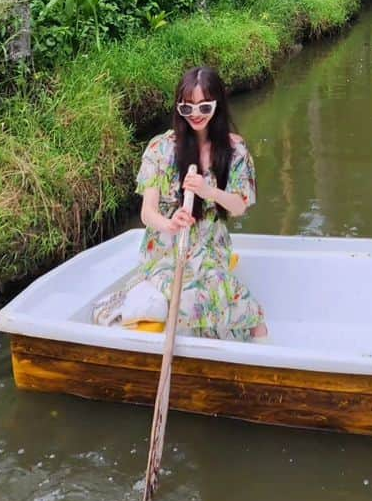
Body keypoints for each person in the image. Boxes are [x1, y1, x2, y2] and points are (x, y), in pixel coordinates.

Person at [93, 66, 268, 341]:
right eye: (187, 108)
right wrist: (170, 223)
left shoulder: (235, 150)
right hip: (166, 248)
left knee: (235, 302)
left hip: (210, 245)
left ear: (217, 105)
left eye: (203, 106)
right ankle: (123, 308)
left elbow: (239, 206)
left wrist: (208, 190)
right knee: (188, 297)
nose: (195, 115)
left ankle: (247, 351)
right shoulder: (161, 149)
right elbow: (147, 212)